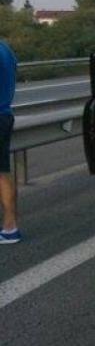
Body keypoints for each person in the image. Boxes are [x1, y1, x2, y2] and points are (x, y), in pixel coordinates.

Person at [0, 39, 19, 244]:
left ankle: (10, 226)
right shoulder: (5, 47)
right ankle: (10, 225)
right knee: (3, 171)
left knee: (1, 174)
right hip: (5, 114)